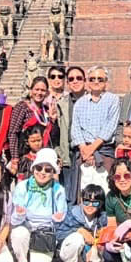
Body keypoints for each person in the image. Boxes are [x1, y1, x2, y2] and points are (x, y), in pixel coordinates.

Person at [9, 147, 68, 262]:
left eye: (48, 170)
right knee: (18, 234)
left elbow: (62, 214)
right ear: (33, 169)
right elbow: (13, 221)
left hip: (45, 231)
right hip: (25, 225)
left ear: (53, 172)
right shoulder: (23, 186)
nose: (42, 172)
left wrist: (58, 218)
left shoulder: (58, 190)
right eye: (39, 168)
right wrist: (19, 214)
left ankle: (37, 253)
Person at [70, 65, 120, 181]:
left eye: (100, 79)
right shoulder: (80, 103)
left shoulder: (113, 100)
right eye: (92, 79)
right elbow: (76, 128)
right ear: (88, 81)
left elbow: (110, 127)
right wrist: (85, 150)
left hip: (104, 152)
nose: (96, 82)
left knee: (105, 191)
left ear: (106, 82)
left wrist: (91, 149)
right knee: (84, 192)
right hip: (84, 153)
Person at [57, 183, 108, 262]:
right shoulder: (72, 212)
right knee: (76, 238)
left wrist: (95, 244)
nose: (89, 205)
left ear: (101, 204)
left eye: (95, 203)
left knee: (104, 240)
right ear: (81, 200)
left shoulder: (103, 217)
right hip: (69, 249)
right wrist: (79, 230)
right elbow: (59, 234)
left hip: (90, 248)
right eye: (86, 201)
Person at [7, 76, 58, 172]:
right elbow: (13, 133)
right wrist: (15, 158)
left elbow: (52, 136)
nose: (39, 93)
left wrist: (53, 120)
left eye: (43, 90)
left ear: (47, 93)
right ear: (31, 91)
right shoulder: (22, 107)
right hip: (26, 157)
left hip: (42, 157)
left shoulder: (46, 109)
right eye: (36, 89)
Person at [55, 65, 87, 203]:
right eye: (71, 79)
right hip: (68, 154)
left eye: (79, 78)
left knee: (84, 193)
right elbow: (57, 132)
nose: (75, 81)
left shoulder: (92, 101)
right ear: (67, 83)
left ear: (85, 81)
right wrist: (59, 153)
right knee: (67, 194)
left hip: (86, 153)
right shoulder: (61, 104)